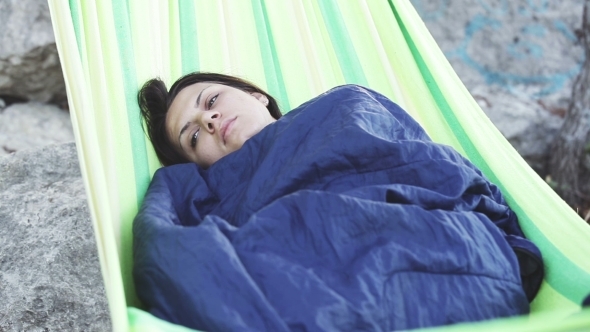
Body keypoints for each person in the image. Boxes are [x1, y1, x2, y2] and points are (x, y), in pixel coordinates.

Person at [134, 72, 543, 331]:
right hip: (308, 274)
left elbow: (430, 165)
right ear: (197, 166)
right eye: (192, 138)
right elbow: (165, 252)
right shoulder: (205, 191)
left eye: (211, 100)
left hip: (445, 246)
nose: (207, 120)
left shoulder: (345, 105)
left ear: (257, 95)